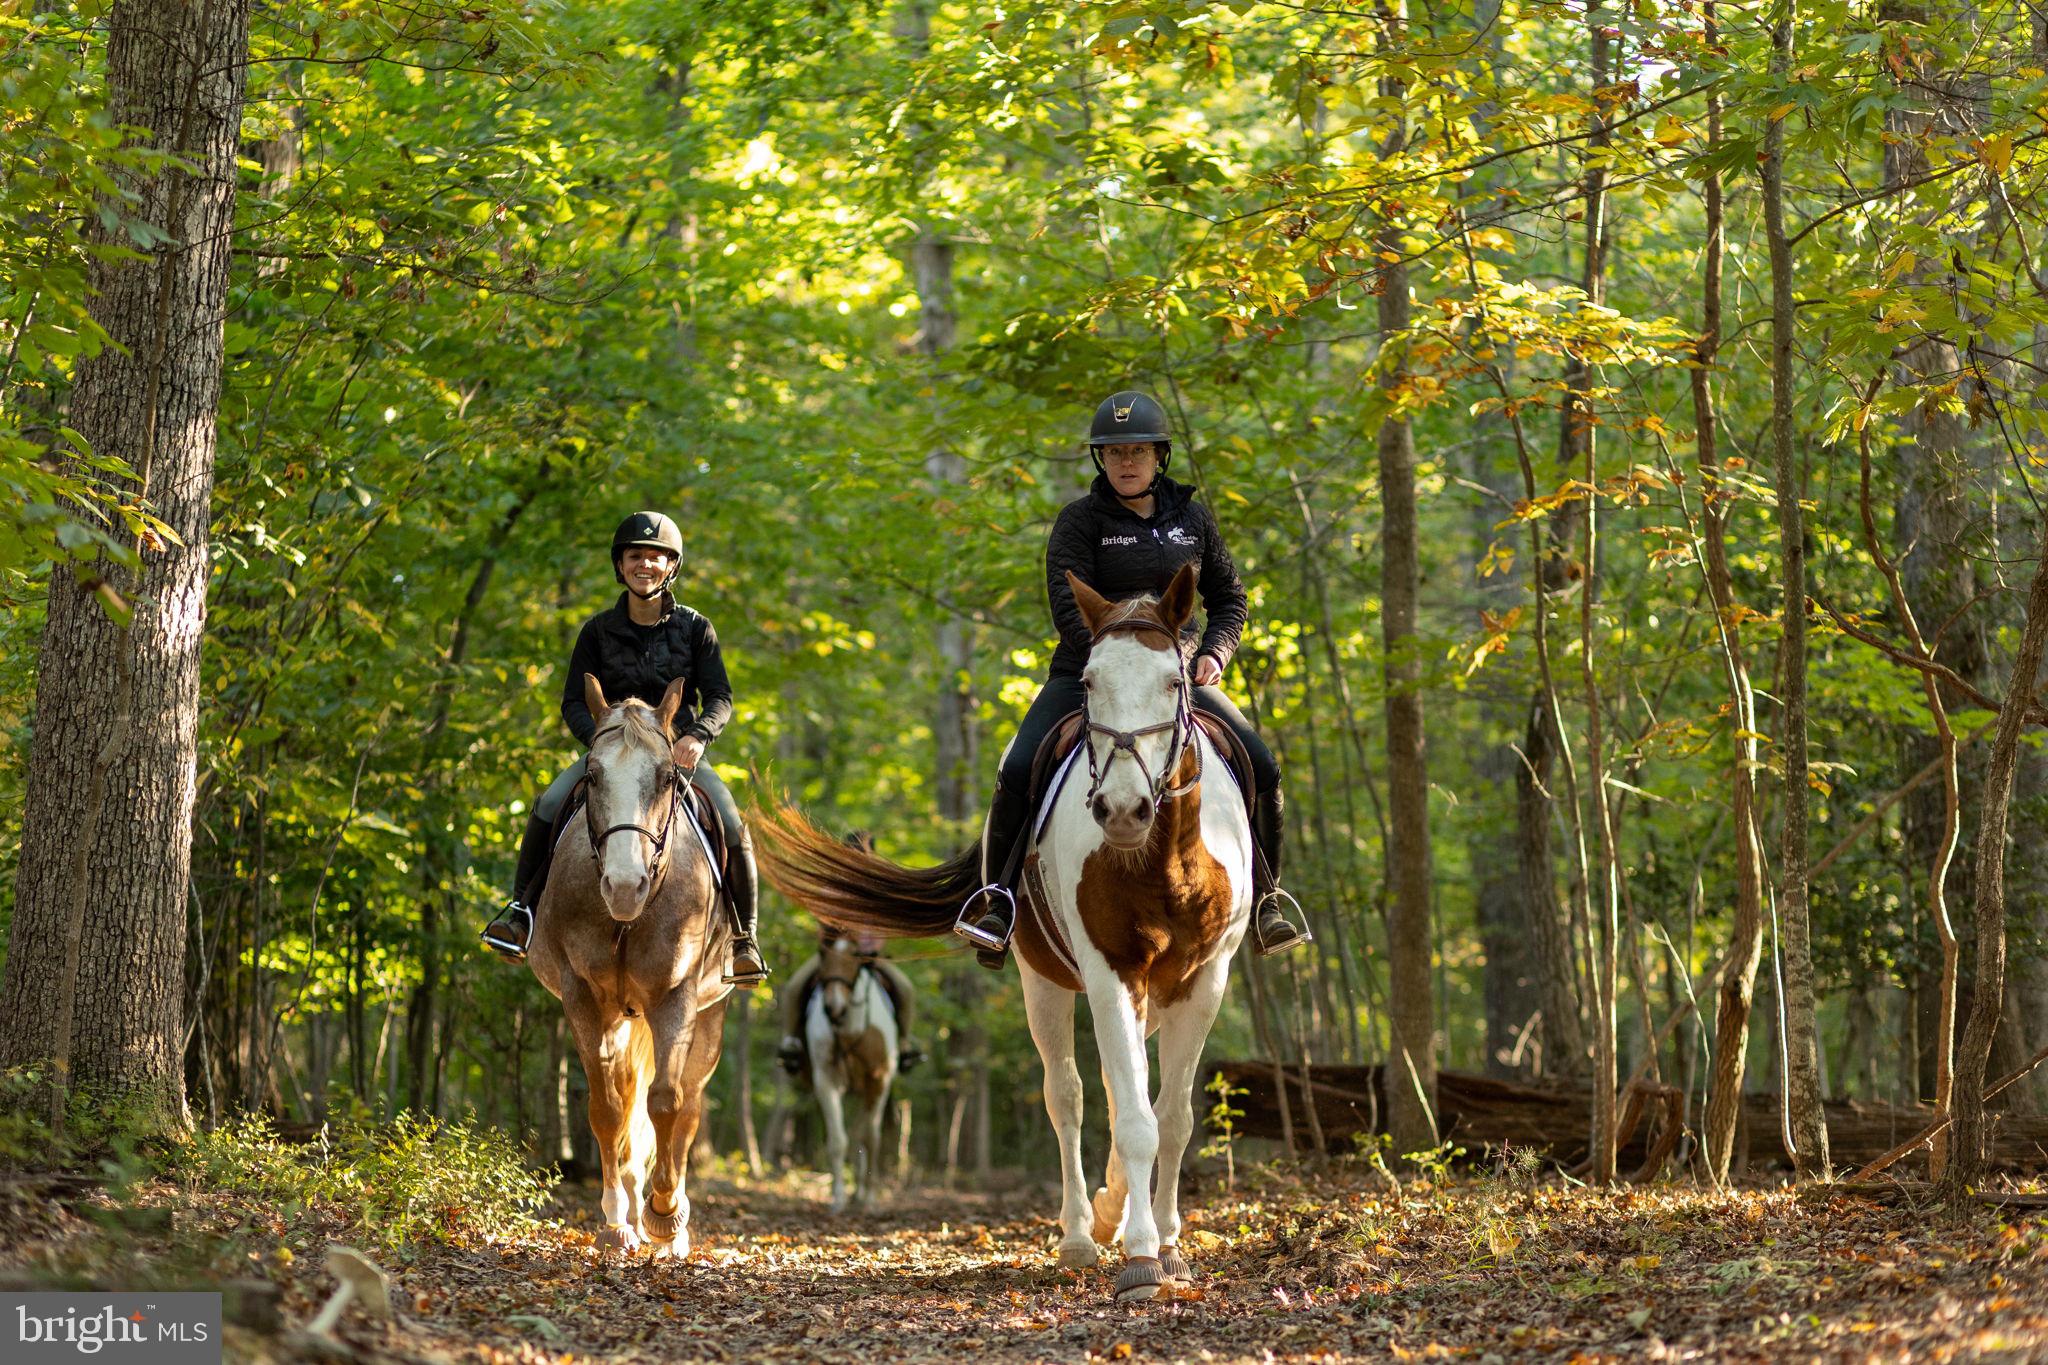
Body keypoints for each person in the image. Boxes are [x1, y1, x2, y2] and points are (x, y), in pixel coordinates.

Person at [952, 390, 1310, 966]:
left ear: (1158, 456)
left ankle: (1269, 900)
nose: (1125, 462)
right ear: (1101, 459)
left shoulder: (1192, 518)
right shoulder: (1078, 522)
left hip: (1175, 680)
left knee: (1260, 762)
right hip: (1089, 674)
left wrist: (1214, 653)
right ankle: (996, 902)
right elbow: (1070, 612)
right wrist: (1117, 661)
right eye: (1113, 452)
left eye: (1137, 450)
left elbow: (1230, 597)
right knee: (1017, 766)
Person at [479, 511, 768, 986]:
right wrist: (601, 739)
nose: (645, 564)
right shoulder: (596, 631)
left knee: (732, 821)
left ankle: (744, 938)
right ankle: (519, 913)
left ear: (670, 566)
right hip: (614, 753)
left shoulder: (697, 629)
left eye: (656, 557)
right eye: (636, 556)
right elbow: (574, 700)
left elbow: (720, 697)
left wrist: (697, 737)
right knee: (550, 802)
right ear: (621, 565)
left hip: (675, 752)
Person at [775, 926, 926, 1077]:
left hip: (868, 956)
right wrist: (831, 946)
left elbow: (881, 930)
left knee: (905, 987)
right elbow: (822, 930)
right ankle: (791, 1040)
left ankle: (904, 1043)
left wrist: (869, 950)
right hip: (834, 954)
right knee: (793, 986)